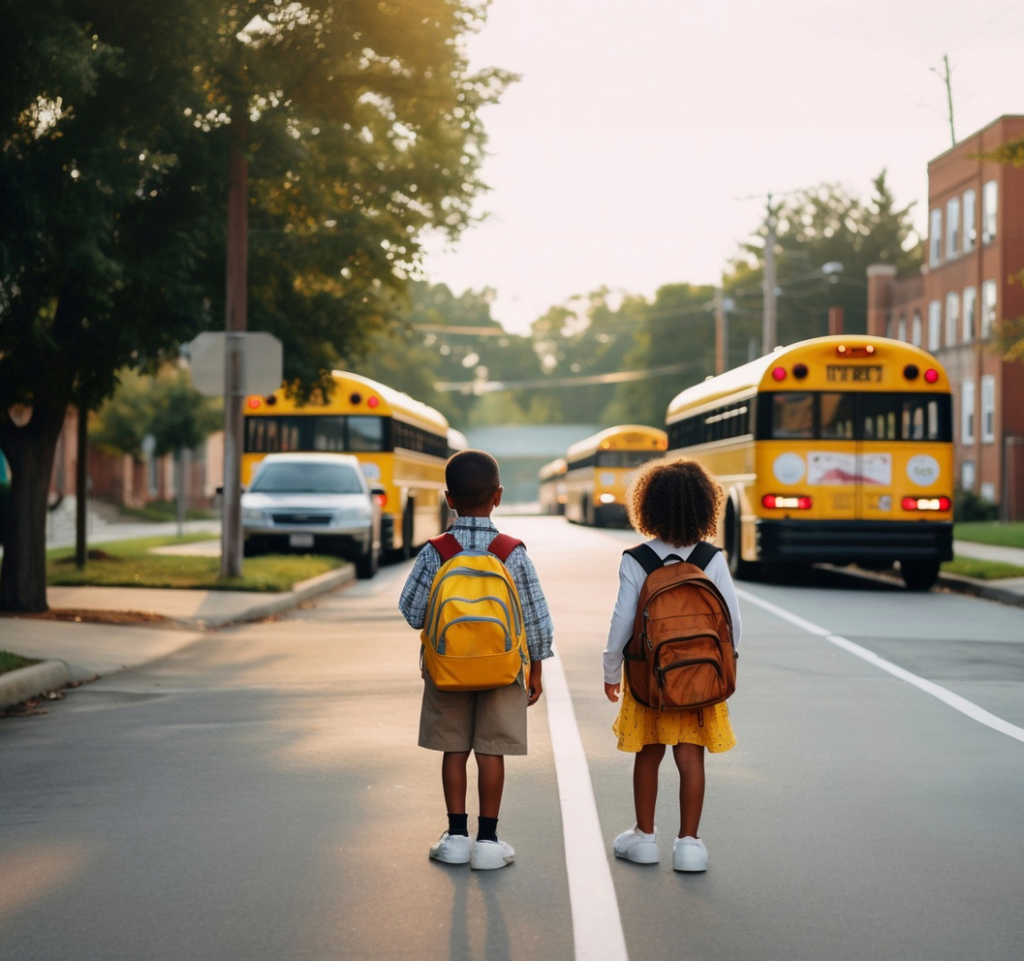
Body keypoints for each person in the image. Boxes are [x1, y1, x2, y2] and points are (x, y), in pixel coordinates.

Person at [399, 449, 554, 871]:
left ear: (449, 499)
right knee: (491, 751)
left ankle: (455, 837)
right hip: (502, 670)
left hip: (447, 668)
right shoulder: (511, 552)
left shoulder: (437, 551)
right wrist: (535, 668)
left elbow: (412, 611)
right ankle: (487, 840)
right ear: (498, 496)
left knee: (454, 749)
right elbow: (536, 619)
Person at [603, 457, 742, 872]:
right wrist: (722, 666)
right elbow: (733, 623)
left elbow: (622, 623)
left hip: (649, 676)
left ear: (647, 507)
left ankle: (644, 837)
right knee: (691, 757)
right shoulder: (711, 558)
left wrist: (611, 671)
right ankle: (689, 845)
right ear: (704, 506)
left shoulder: (637, 559)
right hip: (700, 676)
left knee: (648, 753)